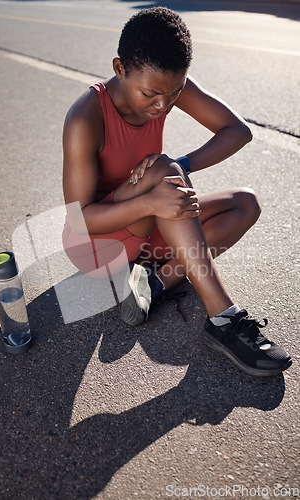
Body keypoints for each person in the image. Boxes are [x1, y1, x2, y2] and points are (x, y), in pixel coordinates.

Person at [62, 7, 291, 377]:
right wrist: (153, 197)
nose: (163, 106)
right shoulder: (85, 117)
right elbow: (79, 218)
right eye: (151, 95)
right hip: (96, 246)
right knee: (162, 170)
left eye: (174, 94)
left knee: (245, 204)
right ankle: (223, 319)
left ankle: (155, 283)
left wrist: (184, 164)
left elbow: (237, 130)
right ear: (120, 69)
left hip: (150, 229)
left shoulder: (164, 84)